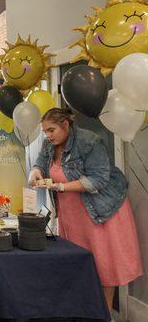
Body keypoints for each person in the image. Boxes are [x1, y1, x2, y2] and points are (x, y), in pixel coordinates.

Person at [28, 108, 142, 312]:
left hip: (99, 211)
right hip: (72, 215)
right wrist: (35, 172)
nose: (48, 135)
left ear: (66, 125)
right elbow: (41, 164)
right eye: (45, 131)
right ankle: (83, 311)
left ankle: (104, 314)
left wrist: (61, 187)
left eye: (51, 130)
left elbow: (99, 179)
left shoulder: (90, 141)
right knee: (77, 263)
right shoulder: (49, 144)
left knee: (104, 265)